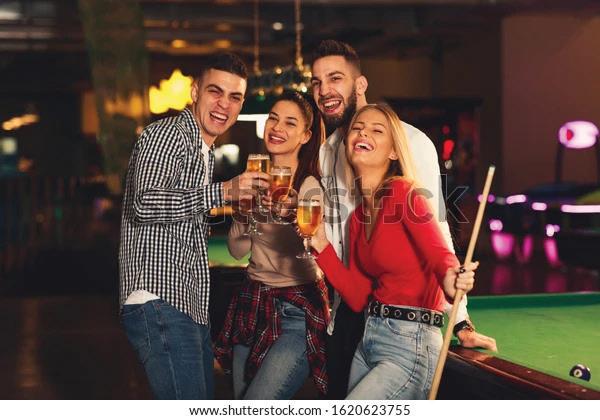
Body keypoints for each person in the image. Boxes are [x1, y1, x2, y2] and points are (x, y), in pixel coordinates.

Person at [310, 40, 497, 398]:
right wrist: (317, 243)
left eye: (335, 78)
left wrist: (459, 316)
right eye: (316, 82)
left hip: (409, 327)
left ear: (360, 84)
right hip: (358, 314)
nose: (324, 90)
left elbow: (436, 239)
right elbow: (346, 256)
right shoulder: (329, 151)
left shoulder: (410, 148)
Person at [118, 53, 269, 400]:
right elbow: (144, 203)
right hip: (160, 299)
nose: (224, 104)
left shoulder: (203, 150)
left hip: (187, 305)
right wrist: (223, 191)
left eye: (235, 97)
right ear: (195, 91)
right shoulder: (168, 134)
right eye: (215, 92)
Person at [214, 91, 329, 399]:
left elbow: (317, 247)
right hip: (252, 302)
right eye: (273, 119)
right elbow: (237, 250)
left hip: (297, 310)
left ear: (305, 135)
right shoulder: (252, 178)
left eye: (290, 123)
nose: (277, 127)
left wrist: (293, 213)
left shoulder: (309, 185)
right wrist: (244, 211)